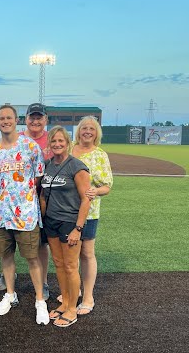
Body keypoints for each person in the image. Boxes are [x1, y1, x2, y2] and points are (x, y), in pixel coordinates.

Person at [0, 104, 49, 325]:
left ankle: (40, 301)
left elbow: (39, 179)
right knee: (6, 256)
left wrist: (30, 202)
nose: (5, 121)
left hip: (25, 214)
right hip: (1, 212)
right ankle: (10, 294)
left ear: (16, 120)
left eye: (9, 118)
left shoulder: (30, 146)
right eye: (1, 118)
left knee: (32, 258)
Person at [40, 126, 91, 327]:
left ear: (68, 143)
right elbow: (43, 194)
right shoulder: (48, 165)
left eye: (61, 141)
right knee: (59, 264)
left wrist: (78, 229)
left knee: (71, 266)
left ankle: (72, 309)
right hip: (51, 221)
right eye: (54, 141)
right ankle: (65, 303)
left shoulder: (76, 166)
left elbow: (86, 200)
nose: (57, 144)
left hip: (70, 222)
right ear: (49, 144)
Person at [70, 116, 113, 315]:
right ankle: (73, 290)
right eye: (84, 128)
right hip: (66, 209)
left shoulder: (100, 155)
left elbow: (107, 186)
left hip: (88, 211)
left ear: (97, 133)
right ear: (78, 131)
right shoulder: (69, 148)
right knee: (70, 253)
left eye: (92, 129)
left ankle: (88, 297)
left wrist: (96, 191)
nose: (87, 131)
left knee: (86, 253)